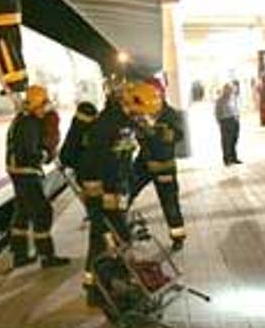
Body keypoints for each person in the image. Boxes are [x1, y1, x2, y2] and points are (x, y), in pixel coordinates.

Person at [78, 82, 144, 305]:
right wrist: (97, 204)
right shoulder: (107, 125)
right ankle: (102, 289)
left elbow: (121, 160)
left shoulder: (123, 122)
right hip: (103, 195)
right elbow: (92, 165)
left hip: (115, 192)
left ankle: (105, 287)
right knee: (108, 240)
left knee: (111, 240)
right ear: (127, 103)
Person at [6, 85, 70, 269]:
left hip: (19, 171)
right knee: (43, 212)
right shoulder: (29, 124)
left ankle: (19, 254)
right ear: (37, 105)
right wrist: (46, 155)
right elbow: (29, 153)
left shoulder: (23, 119)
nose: (46, 108)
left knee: (23, 212)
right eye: (44, 104)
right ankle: (47, 256)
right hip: (26, 172)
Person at [130, 79, 186, 251]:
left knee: (169, 202)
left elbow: (178, 135)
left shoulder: (169, 114)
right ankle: (120, 227)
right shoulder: (138, 110)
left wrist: (153, 132)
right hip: (144, 162)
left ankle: (177, 236)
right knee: (128, 190)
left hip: (164, 166)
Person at [215, 82, 242, 165]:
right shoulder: (220, 100)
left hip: (235, 120)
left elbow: (236, 108)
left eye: (231, 89)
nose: (230, 91)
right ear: (225, 90)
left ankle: (234, 158)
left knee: (234, 139)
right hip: (225, 121)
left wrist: (237, 116)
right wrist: (220, 121)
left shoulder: (233, 98)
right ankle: (227, 159)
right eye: (229, 89)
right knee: (226, 141)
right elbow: (217, 112)